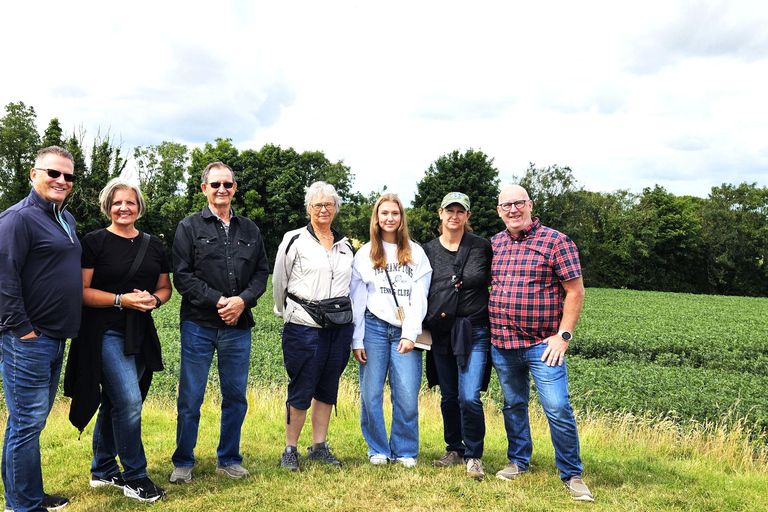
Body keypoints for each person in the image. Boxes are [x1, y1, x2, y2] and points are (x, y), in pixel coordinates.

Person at [63, 178, 171, 502]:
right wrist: (121, 300)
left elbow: (165, 287)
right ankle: (135, 477)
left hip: (139, 334)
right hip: (103, 331)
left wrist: (154, 300)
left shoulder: (154, 245)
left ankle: (103, 469)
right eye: (117, 203)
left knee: (115, 401)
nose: (124, 208)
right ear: (108, 207)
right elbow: (81, 292)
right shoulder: (94, 241)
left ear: (139, 207)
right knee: (129, 401)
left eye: (130, 202)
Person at [489, 184, 593, 502]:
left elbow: (575, 291)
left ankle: (572, 474)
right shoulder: (494, 244)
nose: (513, 210)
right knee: (513, 404)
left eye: (518, 203)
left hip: (543, 346)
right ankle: (518, 461)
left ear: (530, 205)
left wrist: (564, 336)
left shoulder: (556, 241)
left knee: (557, 407)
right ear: (499, 211)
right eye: (506, 205)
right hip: (503, 343)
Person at [170, 162, 269, 483]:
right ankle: (183, 461)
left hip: (237, 326)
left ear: (234, 188)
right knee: (190, 398)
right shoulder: (188, 227)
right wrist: (220, 301)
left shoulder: (250, 230)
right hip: (198, 324)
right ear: (204, 189)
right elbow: (182, 276)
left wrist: (241, 301)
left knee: (235, 397)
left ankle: (228, 459)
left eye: (227, 184)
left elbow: (261, 274)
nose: (222, 189)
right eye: (215, 184)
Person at [0, 146, 81, 512]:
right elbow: (4, 278)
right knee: (27, 422)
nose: (61, 180)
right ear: (34, 174)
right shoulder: (17, 219)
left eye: (68, 176)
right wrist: (23, 330)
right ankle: (24, 504)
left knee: (28, 423)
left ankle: (25, 494)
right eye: (53, 173)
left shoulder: (66, 218)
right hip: (28, 340)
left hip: (55, 336)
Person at [273, 181, 354, 471]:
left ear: (336, 209)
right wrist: (287, 312)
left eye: (328, 204)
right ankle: (290, 449)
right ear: (308, 208)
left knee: (327, 388)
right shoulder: (294, 239)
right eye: (317, 204)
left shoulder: (346, 245)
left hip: (338, 329)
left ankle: (319, 446)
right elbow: (279, 281)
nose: (323, 209)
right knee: (301, 387)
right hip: (303, 327)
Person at [350, 193, 432, 468]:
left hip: (403, 329)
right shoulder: (364, 254)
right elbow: (357, 299)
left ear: (401, 218)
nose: (389, 218)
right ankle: (378, 448)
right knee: (371, 393)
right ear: (376, 217)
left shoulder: (416, 253)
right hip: (373, 328)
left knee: (406, 393)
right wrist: (357, 339)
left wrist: (410, 332)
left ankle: (405, 450)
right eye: (384, 213)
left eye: (394, 213)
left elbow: (420, 296)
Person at [422, 192, 492, 481]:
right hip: (442, 331)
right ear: (440, 213)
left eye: (460, 211)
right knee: (449, 396)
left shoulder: (482, 247)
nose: (454, 215)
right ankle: (454, 449)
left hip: (475, 330)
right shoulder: (426, 250)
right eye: (449, 210)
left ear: (467, 216)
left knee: (469, 396)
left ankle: (474, 455)